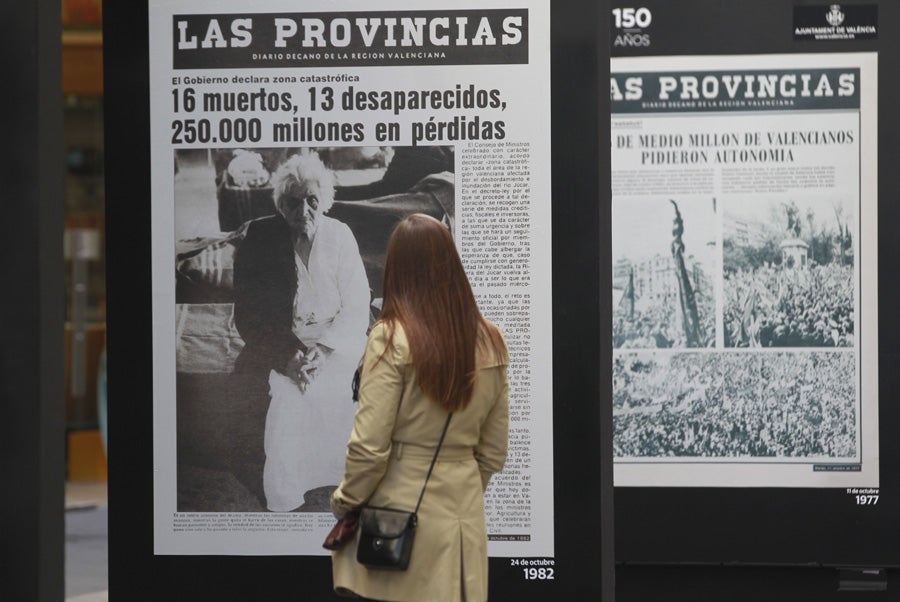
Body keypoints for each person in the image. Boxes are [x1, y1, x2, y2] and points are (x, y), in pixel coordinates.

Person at [330, 214, 509, 602]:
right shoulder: (492, 339)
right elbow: (493, 452)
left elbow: (369, 447)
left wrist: (345, 501)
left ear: (398, 269)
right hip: (464, 525)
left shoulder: (390, 336)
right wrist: (457, 483)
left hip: (399, 524)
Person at [232, 152, 371, 512]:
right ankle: (288, 495)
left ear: (323, 201)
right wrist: (290, 357)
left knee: (347, 392)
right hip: (285, 342)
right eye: (295, 202)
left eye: (312, 200)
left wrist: (324, 352)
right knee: (289, 401)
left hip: (338, 341)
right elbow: (250, 316)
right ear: (281, 204)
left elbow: (357, 305)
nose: (304, 210)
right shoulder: (260, 238)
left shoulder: (340, 236)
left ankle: (344, 478)